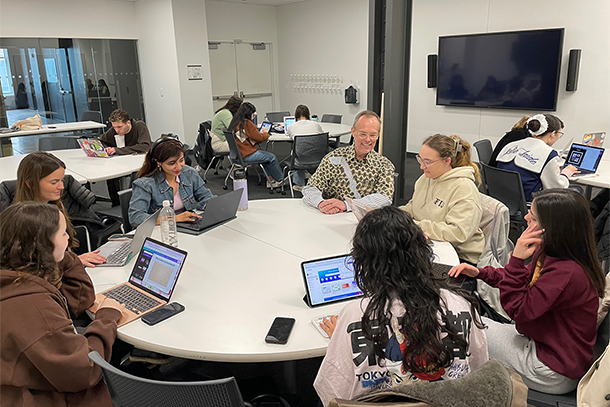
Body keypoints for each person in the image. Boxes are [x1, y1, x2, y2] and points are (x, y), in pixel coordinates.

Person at [314, 206, 488, 406]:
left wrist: (342, 336)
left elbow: (332, 393)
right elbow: (478, 373)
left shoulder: (356, 316)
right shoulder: (460, 304)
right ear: (423, 250)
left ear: (364, 263)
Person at [449, 188, 606, 394]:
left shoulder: (565, 273)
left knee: (457, 325)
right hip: (546, 346)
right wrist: (480, 272)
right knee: (463, 321)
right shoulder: (560, 254)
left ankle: (460, 388)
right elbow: (521, 279)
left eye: (532, 218)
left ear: (550, 228)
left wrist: (515, 258)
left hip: (551, 369)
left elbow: (518, 311)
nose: (525, 218)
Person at [0, 201, 124, 407]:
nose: (69, 238)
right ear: (43, 244)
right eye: (63, 233)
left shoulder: (17, 274)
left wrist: (55, 253)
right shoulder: (33, 306)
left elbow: (80, 300)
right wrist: (106, 317)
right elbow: (86, 371)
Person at [400, 134, 484, 264]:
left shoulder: (463, 188)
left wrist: (415, 226)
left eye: (427, 162)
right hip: (430, 245)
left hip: (461, 258)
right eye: (420, 159)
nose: (422, 166)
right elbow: (414, 206)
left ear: (447, 161)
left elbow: (457, 233)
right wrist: (396, 216)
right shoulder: (426, 178)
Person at [13, 151, 107, 268]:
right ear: (30, 183)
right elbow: (35, 267)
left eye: (61, 180)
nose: (62, 186)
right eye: (54, 182)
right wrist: (73, 261)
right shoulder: (24, 222)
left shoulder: (56, 206)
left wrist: (73, 259)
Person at [302, 110, 395, 214]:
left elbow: (384, 197)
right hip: (331, 218)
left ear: (378, 135)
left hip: (366, 224)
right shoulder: (333, 158)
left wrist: (347, 205)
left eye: (372, 135)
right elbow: (311, 187)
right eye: (362, 134)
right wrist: (321, 203)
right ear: (353, 132)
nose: (368, 139)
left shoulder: (384, 165)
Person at [129, 135, 214, 228]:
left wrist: (212, 205)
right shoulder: (145, 185)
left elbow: (206, 197)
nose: (178, 167)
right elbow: (135, 217)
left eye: (181, 160)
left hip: (185, 227)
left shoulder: (189, 173)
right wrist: (174, 218)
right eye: (172, 163)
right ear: (158, 162)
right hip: (161, 231)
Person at [495, 114, 577, 202]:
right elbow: (555, 188)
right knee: (577, 190)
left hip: (501, 201)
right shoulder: (549, 154)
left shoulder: (510, 145)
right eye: (559, 134)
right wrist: (566, 173)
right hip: (530, 205)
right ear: (553, 134)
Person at [99, 109, 152, 205]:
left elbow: (145, 146)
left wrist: (118, 150)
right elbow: (102, 141)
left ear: (128, 123)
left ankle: (136, 202)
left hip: (139, 162)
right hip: (122, 161)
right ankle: (117, 203)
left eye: (119, 127)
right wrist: (107, 149)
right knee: (110, 173)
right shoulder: (114, 131)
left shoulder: (139, 126)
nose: (117, 130)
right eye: (114, 127)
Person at [228, 102, 284, 188]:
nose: (253, 116)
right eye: (252, 114)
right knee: (271, 157)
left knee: (266, 157)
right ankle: (280, 180)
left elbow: (247, 137)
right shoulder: (246, 123)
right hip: (246, 155)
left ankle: (271, 180)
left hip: (236, 156)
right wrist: (265, 133)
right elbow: (259, 138)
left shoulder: (236, 122)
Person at [286, 104, 324, 191]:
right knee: (306, 149)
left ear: (296, 115)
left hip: (300, 160)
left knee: (296, 152)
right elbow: (321, 135)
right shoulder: (315, 124)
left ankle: (299, 183)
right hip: (317, 158)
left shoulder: (292, 126)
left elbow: (290, 136)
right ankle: (315, 179)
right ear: (308, 114)